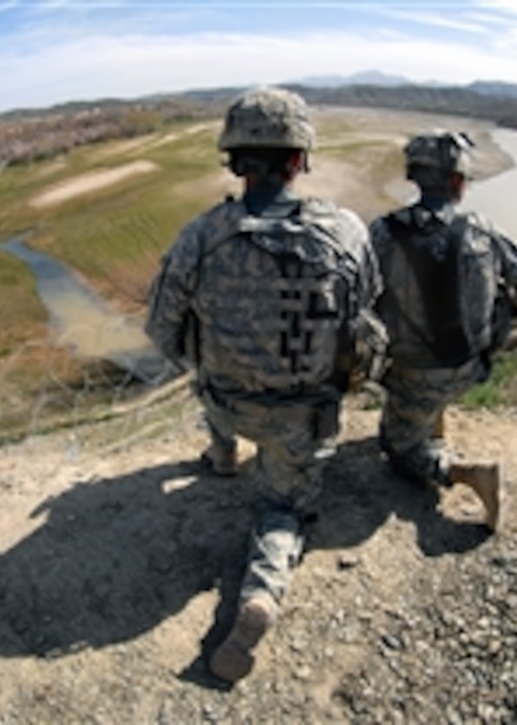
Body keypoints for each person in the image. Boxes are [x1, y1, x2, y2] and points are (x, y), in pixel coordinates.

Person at [144, 87, 382, 683]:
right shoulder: (347, 231)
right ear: (299, 160)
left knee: (208, 366)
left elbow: (164, 331)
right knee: (281, 508)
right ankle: (260, 594)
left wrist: (210, 365)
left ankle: (222, 455)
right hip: (303, 420)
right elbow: (368, 312)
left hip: (225, 402)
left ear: (234, 159)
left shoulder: (200, 236)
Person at [370, 129, 517, 532]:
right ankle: (434, 415)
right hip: (472, 367)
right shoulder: (483, 230)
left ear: (416, 177)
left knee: (395, 448)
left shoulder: (382, 234)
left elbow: (357, 301)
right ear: (457, 181)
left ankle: (471, 474)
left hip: (410, 375)